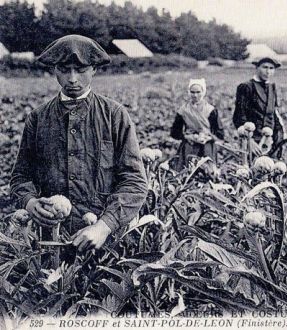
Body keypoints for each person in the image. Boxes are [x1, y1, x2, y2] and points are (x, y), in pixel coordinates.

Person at [10, 35, 147, 253]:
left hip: (106, 243)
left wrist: (104, 226)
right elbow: (20, 177)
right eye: (64, 69)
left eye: (81, 69)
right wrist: (30, 203)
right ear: (54, 69)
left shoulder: (115, 115)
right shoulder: (37, 118)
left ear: (94, 69)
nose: (72, 78)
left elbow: (134, 181)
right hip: (49, 241)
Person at [233, 57, 285, 157]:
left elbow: (273, 114)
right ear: (257, 68)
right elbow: (239, 116)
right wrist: (249, 141)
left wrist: (278, 138)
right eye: (265, 67)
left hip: (269, 140)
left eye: (271, 68)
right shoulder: (246, 87)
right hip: (252, 139)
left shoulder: (271, 87)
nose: (268, 71)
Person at [170, 78, 224, 171]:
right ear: (189, 92)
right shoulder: (183, 110)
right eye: (192, 92)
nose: (195, 95)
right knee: (187, 172)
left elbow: (219, 132)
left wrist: (208, 137)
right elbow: (175, 132)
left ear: (203, 92)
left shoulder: (211, 110)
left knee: (209, 172)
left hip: (206, 146)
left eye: (198, 92)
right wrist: (188, 137)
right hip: (189, 145)